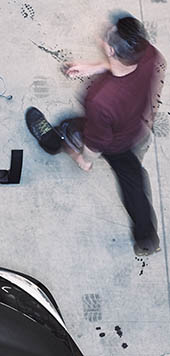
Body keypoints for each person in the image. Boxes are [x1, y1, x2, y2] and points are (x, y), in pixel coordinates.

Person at [65, 13, 166, 256]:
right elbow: (129, 66)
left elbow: (97, 142)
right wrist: (95, 66)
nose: (103, 37)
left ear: (110, 50)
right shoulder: (151, 54)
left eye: (107, 38)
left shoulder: (100, 99)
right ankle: (147, 242)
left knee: (69, 128)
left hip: (116, 142)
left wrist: (85, 160)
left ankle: (54, 141)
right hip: (137, 125)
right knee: (134, 183)